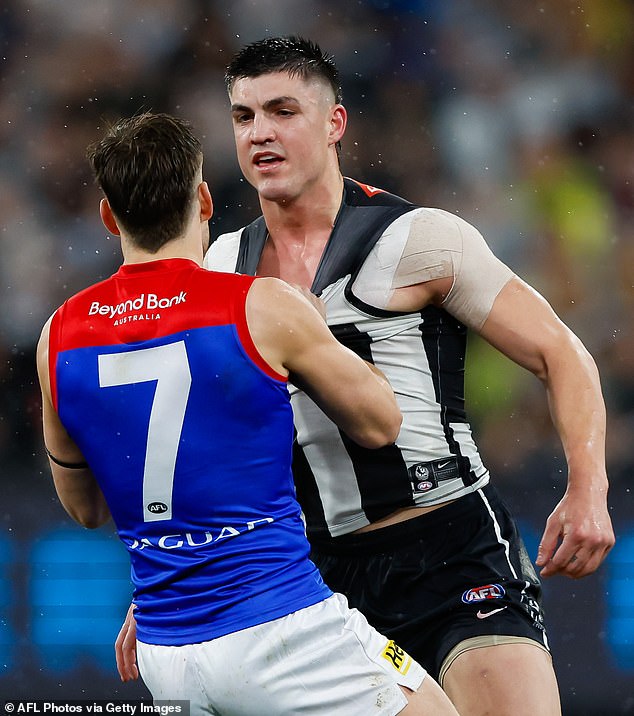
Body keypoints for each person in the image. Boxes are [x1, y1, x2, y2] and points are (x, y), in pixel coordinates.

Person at [115, 38, 615, 715]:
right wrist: (164, 581)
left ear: (334, 124)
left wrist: (588, 489)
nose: (260, 132)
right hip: (310, 577)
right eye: (243, 116)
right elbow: (204, 442)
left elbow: (561, 352)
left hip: (449, 549)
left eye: (283, 110)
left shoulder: (420, 238)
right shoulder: (219, 267)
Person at [36, 111, 461, 716]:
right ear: (204, 199)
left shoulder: (60, 336)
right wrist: (322, 328)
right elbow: (380, 424)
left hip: (165, 652)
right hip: (282, 627)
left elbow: (84, 508)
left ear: (109, 216)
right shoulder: (262, 305)